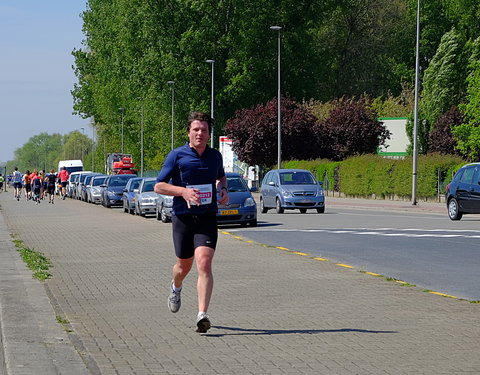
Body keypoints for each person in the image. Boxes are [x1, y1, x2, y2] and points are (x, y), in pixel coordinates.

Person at [154, 111, 228, 333]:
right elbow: (158, 186)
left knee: (204, 263)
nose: (199, 133)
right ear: (188, 132)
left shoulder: (215, 156)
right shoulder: (177, 155)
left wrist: (223, 188)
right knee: (183, 267)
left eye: (204, 130)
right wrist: (183, 192)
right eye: (196, 129)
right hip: (183, 219)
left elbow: (221, 176)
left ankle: (202, 315)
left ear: (209, 134)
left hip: (207, 217)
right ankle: (176, 287)